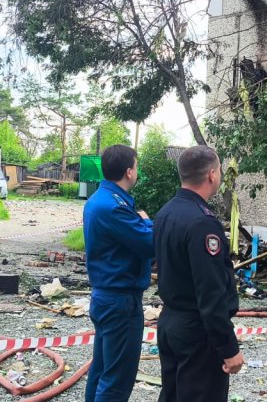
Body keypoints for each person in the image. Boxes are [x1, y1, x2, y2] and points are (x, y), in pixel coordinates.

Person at [153, 145, 244, 402]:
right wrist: (228, 347)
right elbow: (211, 292)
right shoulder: (202, 223)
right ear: (212, 174)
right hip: (196, 331)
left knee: (172, 395)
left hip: (170, 322)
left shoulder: (167, 212)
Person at [82, 144, 153, 402]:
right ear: (129, 172)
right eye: (136, 166)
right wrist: (147, 222)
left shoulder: (99, 200)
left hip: (106, 298)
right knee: (117, 380)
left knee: (102, 371)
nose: (137, 171)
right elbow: (149, 244)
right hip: (120, 302)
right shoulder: (114, 207)